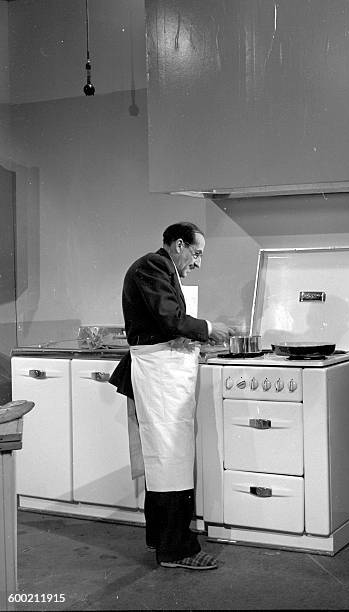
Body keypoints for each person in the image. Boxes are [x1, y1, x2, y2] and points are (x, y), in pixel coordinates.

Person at [109, 221, 234, 570]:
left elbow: (168, 321)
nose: (197, 262)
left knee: (165, 461)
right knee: (170, 462)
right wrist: (208, 330)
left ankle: (160, 540)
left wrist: (190, 335)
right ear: (178, 245)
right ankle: (178, 551)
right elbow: (169, 319)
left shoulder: (161, 268)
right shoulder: (152, 265)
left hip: (163, 373)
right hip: (159, 376)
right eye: (196, 253)